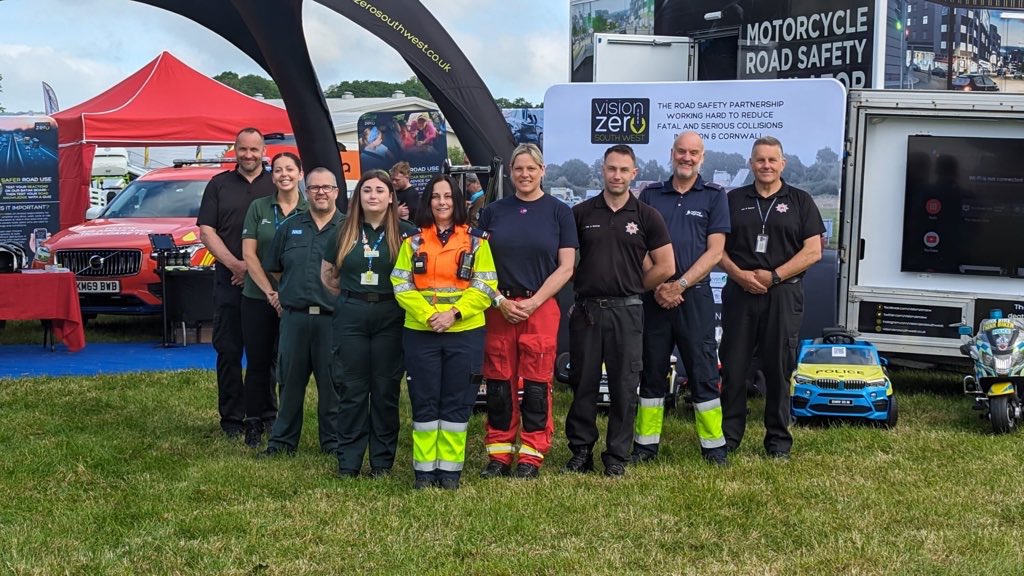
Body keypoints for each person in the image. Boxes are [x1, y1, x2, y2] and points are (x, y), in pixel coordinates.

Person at [563, 144, 674, 477]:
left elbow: (666, 266)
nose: (617, 175)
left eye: (624, 170)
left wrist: (635, 286)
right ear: (603, 169)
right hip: (587, 312)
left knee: (625, 387)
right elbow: (567, 262)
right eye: (612, 168)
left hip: (628, 312)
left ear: (634, 173)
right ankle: (581, 451)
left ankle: (617, 456)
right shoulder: (580, 214)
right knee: (583, 382)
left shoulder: (646, 216)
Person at [718, 136, 825, 460]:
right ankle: (729, 436)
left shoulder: (800, 201)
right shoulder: (733, 199)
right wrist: (740, 275)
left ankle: (778, 441)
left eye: (772, 160)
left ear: (783, 164)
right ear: (750, 164)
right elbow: (716, 249)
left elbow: (813, 251)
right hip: (740, 292)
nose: (766, 165)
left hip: (782, 293)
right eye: (760, 160)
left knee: (778, 369)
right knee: (734, 368)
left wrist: (775, 275)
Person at [477, 144, 577, 480]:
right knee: (499, 383)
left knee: (536, 383)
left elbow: (566, 267)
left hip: (540, 306)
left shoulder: (559, 212)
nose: (524, 175)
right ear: (510, 171)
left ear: (542, 170)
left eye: (531, 169)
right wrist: (499, 301)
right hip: (500, 307)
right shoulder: (493, 212)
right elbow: (477, 265)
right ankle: (499, 453)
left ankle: (531, 455)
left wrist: (534, 302)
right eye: (518, 169)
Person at [391, 174, 498, 490]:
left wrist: (453, 313)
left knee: (457, 401)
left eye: (448, 196)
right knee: (424, 402)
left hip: (464, 332)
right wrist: (429, 316)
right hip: (421, 332)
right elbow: (400, 283)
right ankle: (424, 472)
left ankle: (450, 472)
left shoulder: (477, 241)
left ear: (457, 201)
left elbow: (485, 284)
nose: (442, 202)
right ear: (428, 202)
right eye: (436, 196)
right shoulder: (412, 242)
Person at [635, 131, 730, 465]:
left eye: (694, 153)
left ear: (702, 157)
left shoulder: (715, 196)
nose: (686, 157)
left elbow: (716, 251)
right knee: (651, 372)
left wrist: (681, 284)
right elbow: (641, 246)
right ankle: (645, 447)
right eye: (681, 151)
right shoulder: (650, 194)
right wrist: (660, 284)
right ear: (671, 153)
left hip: (695, 298)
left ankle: (714, 447)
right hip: (655, 299)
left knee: (704, 371)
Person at [321, 170, 417, 478]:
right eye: (366, 191)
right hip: (352, 313)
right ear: (358, 197)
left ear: (391, 197)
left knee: (386, 389)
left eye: (379, 190)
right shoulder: (342, 231)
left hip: (392, 313)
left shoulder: (407, 233)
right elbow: (328, 276)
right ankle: (348, 461)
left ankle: (381, 463)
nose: (372, 195)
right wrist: (355, 297)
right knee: (352, 389)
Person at [259, 168, 345, 457]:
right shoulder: (290, 226)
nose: (321, 192)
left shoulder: (348, 229)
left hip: (332, 320)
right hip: (294, 319)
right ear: (306, 192)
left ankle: (333, 443)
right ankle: (282, 443)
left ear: (336, 192)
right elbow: (274, 266)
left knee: (332, 385)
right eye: (314, 188)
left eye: (327, 188)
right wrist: (290, 292)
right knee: (290, 383)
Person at [197, 127, 275, 438]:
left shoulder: (276, 184)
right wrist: (236, 265)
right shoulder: (218, 185)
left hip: (268, 284)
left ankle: (268, 414)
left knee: (267, 353)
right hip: (227, 281)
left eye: (254, 149)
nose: (248, 155)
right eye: (243, 149)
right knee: (228, 351)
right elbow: (206, 231)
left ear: (263, 151)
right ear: (235, 150)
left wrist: (258, 271)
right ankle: (231, 419)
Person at [239, 152, 308, 448]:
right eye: (278, 169)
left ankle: (282, 422)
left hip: (295, 301)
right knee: (258, 362)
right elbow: (249, 254)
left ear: (300, 174)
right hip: (258, 297)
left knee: (288, 364)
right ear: (272, 175)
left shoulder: (309, 210)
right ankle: (254, 421)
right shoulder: (259, 207)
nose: (284, 174)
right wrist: (270, 291)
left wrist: (285, 294)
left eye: (290, 169)